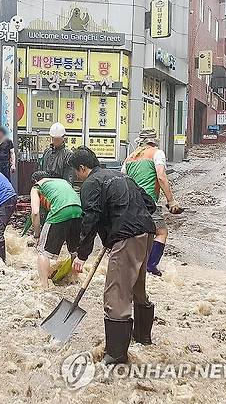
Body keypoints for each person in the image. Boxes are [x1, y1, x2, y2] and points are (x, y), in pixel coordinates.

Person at [70, 147, 157, 365]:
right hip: (146, 233)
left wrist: (82, 255)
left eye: (76, 172)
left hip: (126, 237)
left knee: (115, 295)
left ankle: (116, 355)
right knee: (137, 286)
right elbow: (150, 204)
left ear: (82, 168)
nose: (76, 177)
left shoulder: (91, 183)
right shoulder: (121, 176)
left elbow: (90, 219)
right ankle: (142, 337)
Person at [123, 129, 181, 277]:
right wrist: (171, 201)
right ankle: (151, 265)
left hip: (130, 203)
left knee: (137, 234)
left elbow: (122, 179)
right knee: (161, 232)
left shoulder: (129, 157)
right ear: (154, 140)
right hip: (148, 202)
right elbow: (161, 177)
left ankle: (133, 265)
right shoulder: (157, 153)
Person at [30, 170, 83, 288]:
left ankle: (44, 286)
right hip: (78, 211)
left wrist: (37, 235)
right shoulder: (63, 182)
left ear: (35, 181)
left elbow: (35, 212)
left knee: (43, 252)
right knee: (74, 250)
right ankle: (74, 280)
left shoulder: (36, 187)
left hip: (60, 212)